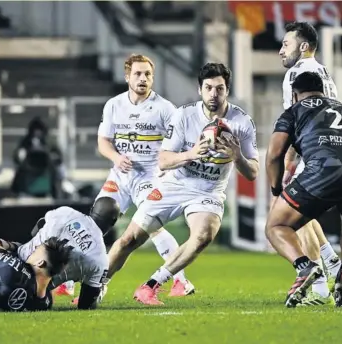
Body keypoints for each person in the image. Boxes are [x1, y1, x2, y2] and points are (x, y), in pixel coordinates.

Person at [104, 62, 259, 305]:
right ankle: (95, 287)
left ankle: (151, 285)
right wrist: (192, 153)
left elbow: (252, 173)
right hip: (174, 185)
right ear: (200, 90)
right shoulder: (184, 115)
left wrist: (237, 155)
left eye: (219, 89)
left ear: (227, 90)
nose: (213, 95)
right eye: (208, 88)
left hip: (208, 191)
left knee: (203, 236)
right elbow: (164, 161)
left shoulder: (242, 122)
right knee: (128, 239)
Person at [94, 54, 195, 297]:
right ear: (127, 76)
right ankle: (74, 279)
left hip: (149, 178)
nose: (143, 78)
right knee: (95, 224)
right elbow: (103, 142)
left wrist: (167, 165)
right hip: (119, 177)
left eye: (148, 74)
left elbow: (180, 141)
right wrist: (117, 158)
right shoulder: (114, 105)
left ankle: (180, 280)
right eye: (138, 74)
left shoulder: (165, 109)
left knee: (151, 227)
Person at [265, 72, 342, 308]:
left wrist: (276, 189)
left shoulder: (294, 111)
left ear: (294, 94)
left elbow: (274, 154)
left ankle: (305, 267)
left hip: (323, 171)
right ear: (324, 91)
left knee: (276, 226)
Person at [278, 21, 342, 305]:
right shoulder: (322, 72)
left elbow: (296, 121)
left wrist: (289, 161)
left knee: (292, 215)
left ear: (303, 47)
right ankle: (332, 262)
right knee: (304, 214)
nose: (281, 51)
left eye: (286, 44)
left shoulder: (297, 73)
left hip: (313, 150)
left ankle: (319, 290)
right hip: (334, 150)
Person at [17, 197, 119, 310]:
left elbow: (36, 229)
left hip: (12, 260)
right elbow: (87, 304)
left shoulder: (65, 211)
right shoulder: (100, 259)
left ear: (92, 209)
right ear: (113, 222)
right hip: (32, 293)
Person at [0, 237, 71, 312]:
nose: (30, 251)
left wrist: (13, 246)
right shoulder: (44, 303)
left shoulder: (14, 269)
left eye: (35, 250)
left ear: (40, 263)